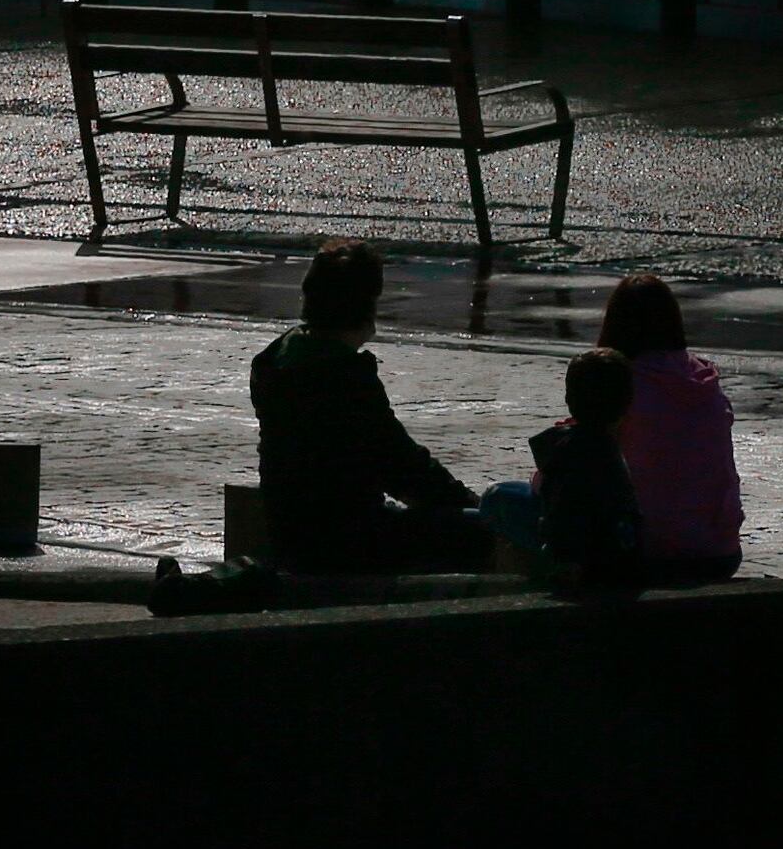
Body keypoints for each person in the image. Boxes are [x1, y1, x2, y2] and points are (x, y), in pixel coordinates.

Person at [249, 238, 487, 571]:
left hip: (290, 530)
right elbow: (400, 464)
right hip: (346, 540)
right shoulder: (342, 375)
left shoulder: (278, 359)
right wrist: (471, 504)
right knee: (484, 534)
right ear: (365, 307)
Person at [598, 273, 743, 580]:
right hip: (721, 549)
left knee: (503, 502)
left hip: (654, 550)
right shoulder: (704, 382)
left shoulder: (622, 383)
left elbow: (574, 459)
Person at [478, 346, 649, 592]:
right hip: (619, 563)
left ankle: (513, 589)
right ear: (627, 405)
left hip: (577, 567)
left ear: (568, 399)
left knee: (496, 498)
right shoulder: (612, 452)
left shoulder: (565, 448)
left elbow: (555, 513)